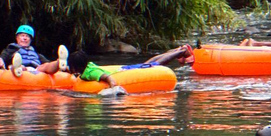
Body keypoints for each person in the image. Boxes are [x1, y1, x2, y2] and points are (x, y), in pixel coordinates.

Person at [67, 45, 195, 94]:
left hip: (125, 72)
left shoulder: (90, 72)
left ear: (77, 67)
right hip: (123, 69)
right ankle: (177, 50)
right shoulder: (87, 68)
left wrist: (113, 90)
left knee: (155, 64)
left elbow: (107, 77)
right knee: (150, 62)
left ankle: (182, 52)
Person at [0, 24, 68, 76]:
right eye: (22, 35)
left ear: (30, 40)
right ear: (17, 38)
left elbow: (47, 63)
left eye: (27, 36)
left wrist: (54, 65)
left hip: (35, 70)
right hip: (20, 67)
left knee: (45, 66)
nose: (25, 38)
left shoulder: (35, 53)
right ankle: (17, 68)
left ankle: (59, 62)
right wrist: (0, 60)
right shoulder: (12, 49)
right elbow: (3, 56)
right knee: (18, 66)